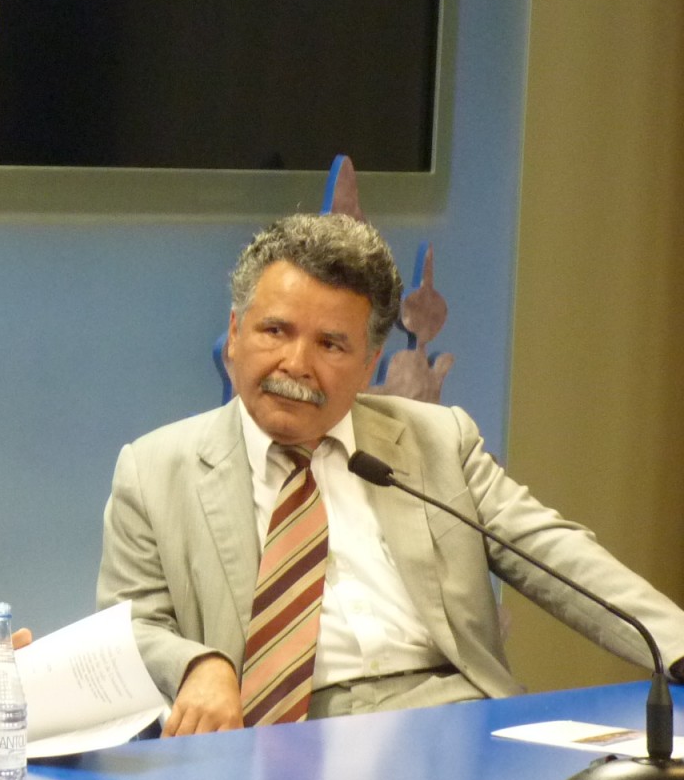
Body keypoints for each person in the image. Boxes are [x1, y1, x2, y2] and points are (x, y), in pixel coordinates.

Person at [98, 213, 684, 735]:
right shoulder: (155, 470)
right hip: (277, 730)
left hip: (453, 716)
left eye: (331, 343)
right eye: (275, 331)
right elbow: (127, 631)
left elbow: (554, 554)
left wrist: (677, 645)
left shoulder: (437, 440)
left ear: (369, 363)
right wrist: (198, 665)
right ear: (234, 335)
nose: (295, 365)